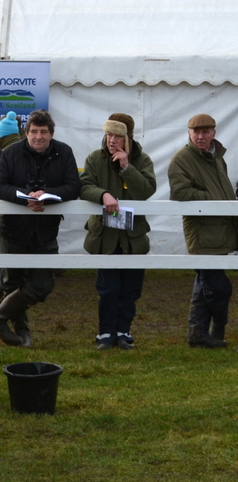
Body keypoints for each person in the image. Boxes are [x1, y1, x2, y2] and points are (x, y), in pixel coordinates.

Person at [0, 109, 81, 347]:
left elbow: (73, 186)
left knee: (43, 282)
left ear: (51, 134)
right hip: (12, 228)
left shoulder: (64, 152)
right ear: (26, 133)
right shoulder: (10, 153)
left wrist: (48, 195)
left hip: (45, 229)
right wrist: (24, 198)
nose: (38, 136)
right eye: (33, 131)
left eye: (43, 132)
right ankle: (22, 334)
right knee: (12, 281)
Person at [80, 114, 156, 350]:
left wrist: (126, 168)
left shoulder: (142, 160)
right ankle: (105, 333)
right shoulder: (95, 158)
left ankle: (124, 331)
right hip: (105, 236)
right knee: (108, 288)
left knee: (131, 288)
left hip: (132, 238)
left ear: (128, 138)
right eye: (109, 134)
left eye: (117, 136)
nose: (112, 140)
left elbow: (147, 190)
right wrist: (103, 194)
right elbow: (83, 185)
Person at [168, 113, 237, 348]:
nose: (200, 136)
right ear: (188, 133)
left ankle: (197, 334)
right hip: (202, 233)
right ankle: (217, 329)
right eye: (196, 132)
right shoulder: (182, 159)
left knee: (204, 284)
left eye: (206, 132)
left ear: (213, 134)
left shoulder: (217, 157)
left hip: (221, 232)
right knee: (220, 287)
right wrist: (215, 199)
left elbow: (225, 189)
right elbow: (180, 193)